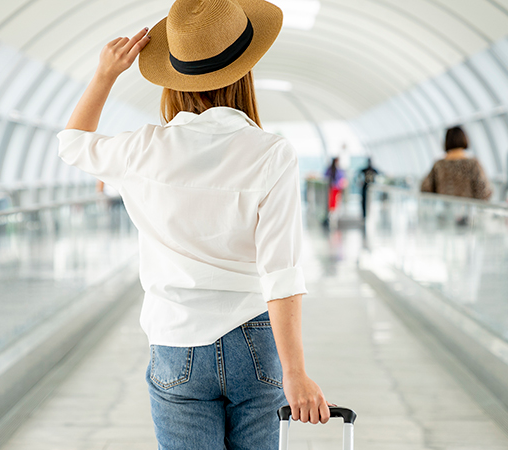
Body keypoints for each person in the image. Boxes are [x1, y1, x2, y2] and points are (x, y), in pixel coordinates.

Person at [55, 1, 330, 448]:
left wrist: (105, 74)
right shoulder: (272, 153)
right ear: (244, 72)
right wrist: (295, 374)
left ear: (174, 79)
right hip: (255, 339)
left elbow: (72, 144)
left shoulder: (143, 149)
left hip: (175, 339)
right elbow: (280, 272)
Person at [420, 126, 492, 201]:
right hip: (467, 210)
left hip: (444, 210)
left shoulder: (439, 165)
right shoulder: (472, 164)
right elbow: (484, 191)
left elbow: (425, 188)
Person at [324, 157, 346, 225]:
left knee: (332, 201)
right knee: (335, 201)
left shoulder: (330, 169)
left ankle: (332, 214)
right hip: (336, 188)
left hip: (332, 187)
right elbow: (342, 178)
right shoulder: (338, 170)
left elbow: (325, 176)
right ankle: (334, 215)